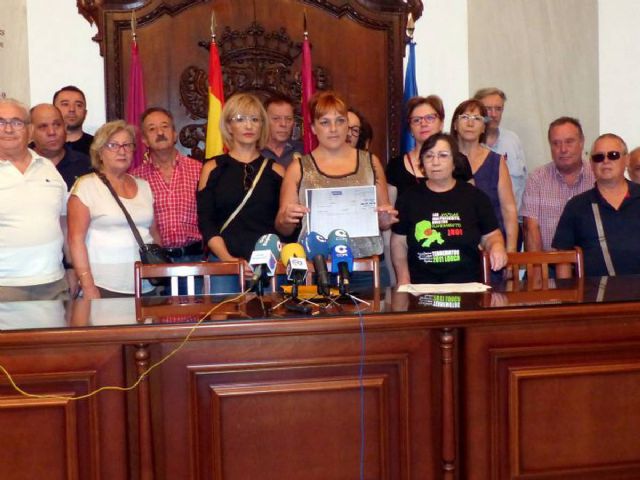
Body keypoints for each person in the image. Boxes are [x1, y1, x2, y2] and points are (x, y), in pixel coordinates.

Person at [276, 90, 397, 270]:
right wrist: (286, 218)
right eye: (325, 122)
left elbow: (383, 218)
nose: (333, 129)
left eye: (340, 121)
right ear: (313, 128)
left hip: (366, 266)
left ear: (347, 125)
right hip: (317, 267)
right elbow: (283, 227)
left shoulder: (371, 162)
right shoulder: (298, 167)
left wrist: (384, 219)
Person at [391, 133, 507, 285]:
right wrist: (403, 280)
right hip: (422, 286)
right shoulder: (408, 199)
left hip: (467, 285)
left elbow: (491, 235)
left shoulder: (475, 197)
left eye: (443, 155)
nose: (435, 162)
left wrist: (497, 246)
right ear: (422, 163)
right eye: (429, 156)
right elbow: (399, 243)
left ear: (454, 162)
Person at [198, 93, 284, 290]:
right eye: (240, 119)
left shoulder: (278, 171)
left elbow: (285, 226)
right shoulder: (212, 168)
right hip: (224, 264)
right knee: (222, 311)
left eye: (255, 119)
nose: (248, 125)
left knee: (273, 311)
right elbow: (206, 222)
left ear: (262, 126)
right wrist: (229, 260)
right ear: (229, 126)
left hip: (268, 264)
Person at [68, 120, 160, 298]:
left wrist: (158, 271)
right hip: (103, 285)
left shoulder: (144, 186)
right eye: (113, 145)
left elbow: (153, 232)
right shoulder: (86, 186)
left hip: (146, 285)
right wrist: (88, 286)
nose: (122, 151)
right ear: (99, 152)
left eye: (127, 145)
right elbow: (75, 240)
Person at [0, 98, 69, 301]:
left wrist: (72, 267)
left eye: (16, 122)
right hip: (6, 285)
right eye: (1, 122)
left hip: (53, 282)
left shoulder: (48, 167)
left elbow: (63, 222)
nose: (8, 129)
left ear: (29, 130)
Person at [553, 133, 640, 277]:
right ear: (591, 164)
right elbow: (563, 259)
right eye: (599, 157)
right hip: (594, 291)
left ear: (627, 160)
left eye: (613, 155)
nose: (605, 161)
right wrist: (565, 290)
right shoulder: (576, 206)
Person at [131, 107, 203, 263]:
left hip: (197, 258)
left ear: (175, 134)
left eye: (165, 126)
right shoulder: (136, 179)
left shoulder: (199, 170)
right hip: (157, 260)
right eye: (152, 129)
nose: (160, 132)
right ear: (144, 140)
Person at [451, 99, 518, 253]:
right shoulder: (444, 160)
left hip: (494, 246)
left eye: (477, 118)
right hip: (456, 246)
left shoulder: (496, 162)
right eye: (465, 117)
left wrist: (511, 250)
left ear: (483, 127)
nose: (470, 123)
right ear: (455, 124)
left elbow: (509, 209)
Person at [521, 117, 595, 252]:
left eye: (569, 142)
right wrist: (538, 265)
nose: (563, 149)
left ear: (582, 142)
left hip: (590, 263)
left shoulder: (597, 177)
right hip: (549, 262)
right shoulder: (537, 179)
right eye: (556, 143)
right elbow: (531, 228)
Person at [474, 87, 527, 211]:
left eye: (498, 109)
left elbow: (523, 183)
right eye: (488, 109)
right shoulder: (469, 144)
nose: (494, 114)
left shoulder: (513, 141)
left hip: (513, 218)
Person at [30, 103, 92, 190]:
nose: (52, 132)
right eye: (43, 127)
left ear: (65, 127)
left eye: (57, 125)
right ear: (30, 131)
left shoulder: (86, 165)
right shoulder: (19, 165)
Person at [260, 93, 303, 169]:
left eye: (288, 119)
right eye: (276, 118)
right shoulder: (254, 152)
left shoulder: (303, 150)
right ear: (264, 121)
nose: (283, 124)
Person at [53, 85, 93, 155]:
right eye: (65, 104)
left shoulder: (98, 147)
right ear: (53, 111)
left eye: (78, 105)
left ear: (85, 113)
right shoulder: (39, 148)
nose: (72, 109)